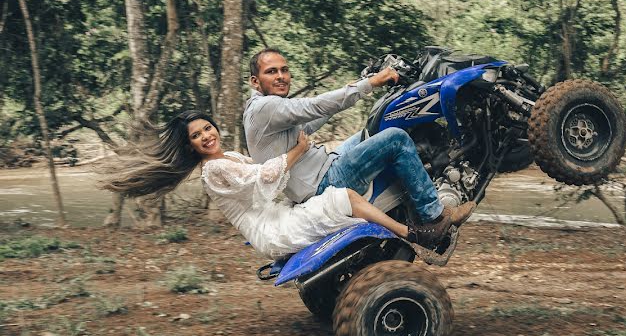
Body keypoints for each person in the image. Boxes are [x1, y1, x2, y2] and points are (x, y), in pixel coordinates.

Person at [100, 111, 447, 258]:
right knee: (344, 197)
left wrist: (300, 139)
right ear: (190, 145)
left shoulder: (228, 157)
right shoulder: (212, 170)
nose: (206, 136)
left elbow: (267, 168)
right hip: (271, 229)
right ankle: (414, 232)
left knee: (358, 155)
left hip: (277, 214)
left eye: (207, 128)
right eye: (197, 135)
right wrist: (298, 149)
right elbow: (264, 175)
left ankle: (409, 218)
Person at [243, 47, 475, 245]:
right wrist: (370, 83)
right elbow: (313, 107)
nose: (281, 76)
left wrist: (354, 87)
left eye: (284, 70)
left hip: (322, 167)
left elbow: (311, 121)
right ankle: (434, 217)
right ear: (255, 81)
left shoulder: (262, 110)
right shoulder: (266, 107)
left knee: (372, 131)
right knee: (395, 138)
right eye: (271, 72)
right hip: (323, 183)